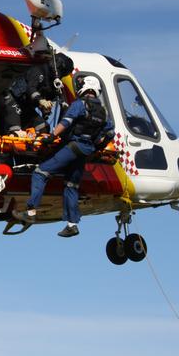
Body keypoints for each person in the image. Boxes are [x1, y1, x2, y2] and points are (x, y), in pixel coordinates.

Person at [25, 75, 114, 237]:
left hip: (73, 147)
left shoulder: (80, 105)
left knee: (41, 172)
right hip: (86, 151)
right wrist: (98, 145)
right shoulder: (103, 112)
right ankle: (72, 224)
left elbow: (66, 122)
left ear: (85, 87)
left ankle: (30, 212)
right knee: (71, 186)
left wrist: (52, 136)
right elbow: (110, 132)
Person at [0, 52, 74, 135]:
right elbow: (30, 89)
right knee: (16, 131)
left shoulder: (52, 82)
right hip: (13, 101)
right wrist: (40, 101)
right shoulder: (38, 70)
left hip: (27, 108)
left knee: (44, 128)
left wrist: (46, 107)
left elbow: (54, 96)